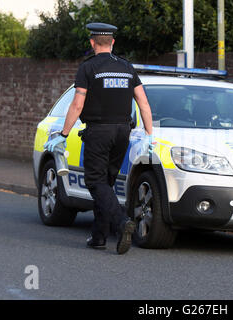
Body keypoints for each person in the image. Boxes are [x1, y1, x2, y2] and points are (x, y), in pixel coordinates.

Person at [44, 22, 154, 254]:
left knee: (95, 182)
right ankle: (99, 237)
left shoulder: (88, 68)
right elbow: (143, 103)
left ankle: (122, 223)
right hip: (123, 132)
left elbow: (77, 104)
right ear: (112, 42)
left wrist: (63, 134)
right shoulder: (126, 67)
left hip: (98, 132)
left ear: (92, 42)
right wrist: (148, 134)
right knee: (107, 184)